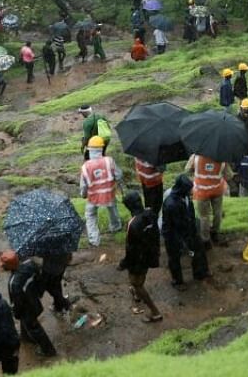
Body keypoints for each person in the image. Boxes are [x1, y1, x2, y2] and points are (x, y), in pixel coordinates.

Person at [1, 250, 56, 357]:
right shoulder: (30, 264)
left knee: (35, 328)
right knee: (27, 323)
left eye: (4, 265)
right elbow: (39, 279)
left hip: (27, 308)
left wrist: (16, 314)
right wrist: (39, 293)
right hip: (34, 299)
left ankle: (49, 350)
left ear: (10, 267)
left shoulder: (14, 283)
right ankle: (26, 337)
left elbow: (16, 302)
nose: (2, 266)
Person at [119, 191, 163, 323]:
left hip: (138, 258)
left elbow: (130, 249)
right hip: (150, 253)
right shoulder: (150, 213)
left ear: (129, 207)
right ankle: (136, 293)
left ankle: (155, 312)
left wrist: (123, 263)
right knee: (140, 278)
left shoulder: (132, 224)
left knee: (136, 283)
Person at [161, 175, 210, 289]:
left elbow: (190, 213)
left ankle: (200, 273)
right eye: (189, 189)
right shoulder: (171, 204)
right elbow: (178, 225)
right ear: (182, 189)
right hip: (173, 234)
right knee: (174, 257)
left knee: (199, 249)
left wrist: (193, 231)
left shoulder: (185, 196)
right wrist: (185, 242)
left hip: (187, 228)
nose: (191, 191)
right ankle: (177, 281)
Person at [80, 137, 124, 246]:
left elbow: (83, 185)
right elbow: (119, 175)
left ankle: (94, 240)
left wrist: (83, 195)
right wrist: (117, 182)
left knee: (90, 215)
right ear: (101, 149)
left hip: (93, 197)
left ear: (89, 149)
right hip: (109, 193)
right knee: (112, 209)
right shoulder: (109, 161)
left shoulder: (85, 166)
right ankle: (116, 227)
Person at [187, 152, 232, 247]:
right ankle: (215, 233)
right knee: (218, 213)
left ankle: (205, 240)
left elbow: (187, 169)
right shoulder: (222, 157)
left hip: (201, 191)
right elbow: (229, 175)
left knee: (204, 216)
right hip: (217, 190)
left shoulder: (196, 156)